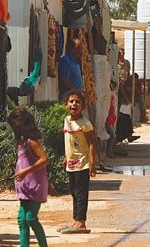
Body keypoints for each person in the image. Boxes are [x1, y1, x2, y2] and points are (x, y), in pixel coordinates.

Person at [6, 107, 49, 247]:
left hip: (35, 185)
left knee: (30, 218)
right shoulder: (22, 142)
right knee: (22, 219)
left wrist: (26, 171)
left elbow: (44, 159)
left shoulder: (31, 141)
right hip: (25, 188)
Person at [60, 91, 96, 234]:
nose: (74, 104)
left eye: (77, 102)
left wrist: (92, 163)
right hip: (71, 163)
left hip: (82, 163)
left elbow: (92, 143)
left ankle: (81, 223)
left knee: (81, 193)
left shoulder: (85, 124)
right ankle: (75, 220)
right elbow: (69, 142)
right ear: (66, 104)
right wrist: (66, 157)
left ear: (82, 106)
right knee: (73, 192)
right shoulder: (67, 120)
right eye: (71, 101)